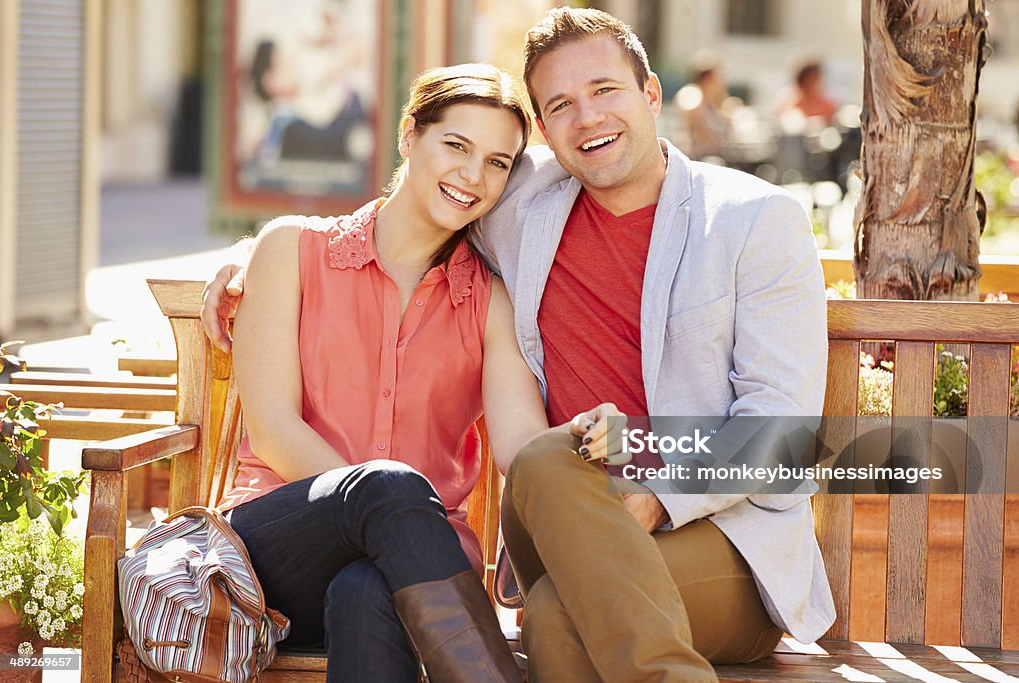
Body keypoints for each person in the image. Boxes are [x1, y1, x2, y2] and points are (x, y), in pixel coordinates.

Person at [204, 8, 836, 682]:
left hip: (715, 534)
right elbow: (393, 219)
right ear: (546, 131)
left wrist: (655, 492)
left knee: (556, 619)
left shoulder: (752, 219)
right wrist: (261, 255)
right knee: (490, 475)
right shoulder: (527, 206)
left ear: (651, 94)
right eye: (561, 105)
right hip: (479, 529)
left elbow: (783, 435)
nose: (587, 118)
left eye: (605, 91)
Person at [216, 62, 624, 683]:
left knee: (365, 587)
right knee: (387, 488)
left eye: (497, 162)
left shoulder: (490, 301)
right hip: (276, 549)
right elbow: (271, 430)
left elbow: (519, 446)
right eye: (455, 145)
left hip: (415, 574)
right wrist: (386, 508)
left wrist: (587, 436)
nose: (472, 175)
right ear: (410, 135)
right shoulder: (291, 251)